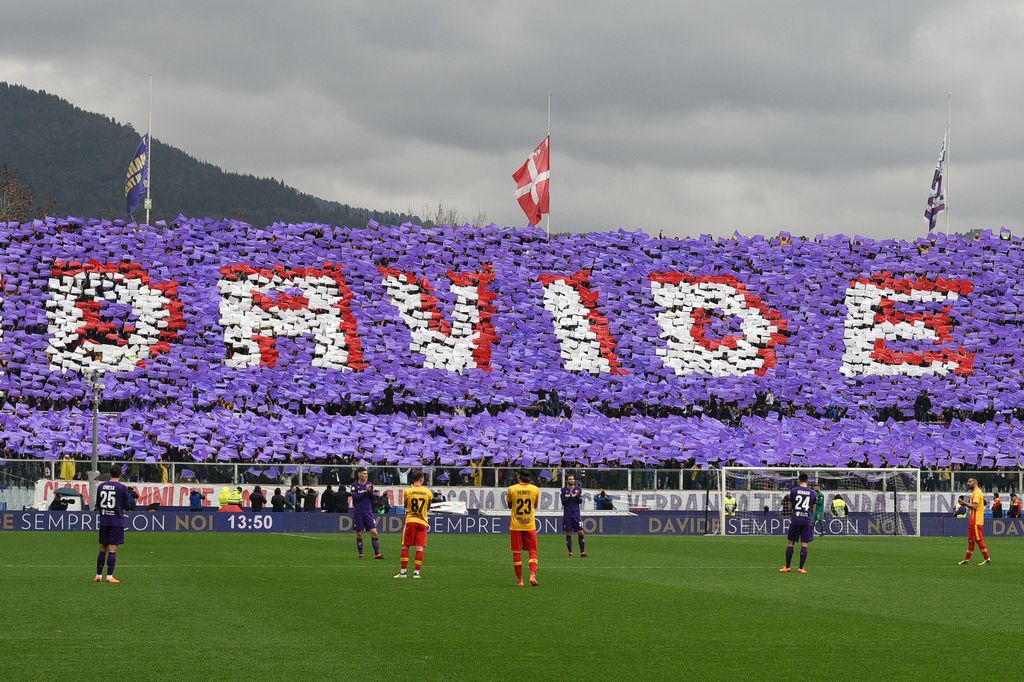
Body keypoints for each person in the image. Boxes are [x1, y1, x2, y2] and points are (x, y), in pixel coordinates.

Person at [94, 464, 135, 583]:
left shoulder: (101, 486)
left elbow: (98, 504)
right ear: (120, 475)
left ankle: (98, 575)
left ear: (110, 474)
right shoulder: (122, 488)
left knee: (102, 549)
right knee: (112, 550)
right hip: (116, 521)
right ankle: (109, 576)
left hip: (104, 521)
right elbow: (127, 506)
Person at [394, 469, 432, 579]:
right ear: (422, 479)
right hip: (423, 522)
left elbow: (406, 506)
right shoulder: (428, 492)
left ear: (413, 479)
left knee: (406, 546)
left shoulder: (408, 491)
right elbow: (428, 507)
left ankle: (403, 572)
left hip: (411, 520)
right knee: (420, 548)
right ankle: (416, 573)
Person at [507, 469, 540, 587]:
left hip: (516, 526)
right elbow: (535, 506)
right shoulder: (535, 489)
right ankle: (532, 575)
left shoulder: (512, 489)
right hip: (530, 525)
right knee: (533, 551)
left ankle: (520, 580)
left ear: (518, 477)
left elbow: (510, 505)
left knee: (517, 552)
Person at [780, 472, 816, 574]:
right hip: (807, 520)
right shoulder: (813, 492)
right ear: (807, 480)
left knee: (791, 543)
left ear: (799, 480)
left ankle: (787, 567)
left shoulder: (794, 490)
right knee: (804, 544)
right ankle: (801, 568)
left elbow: (790, 507)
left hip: (796, 519)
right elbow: (813, 508)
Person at [350, 467, 383, 559]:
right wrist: (366, 492)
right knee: (360, 533)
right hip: (358, 512)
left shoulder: (369, 484)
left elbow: (372, 498)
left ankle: (377, 554)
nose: (366, 475)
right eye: (364, 473)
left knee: (374, 532)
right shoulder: (354, 485)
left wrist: (374, 495)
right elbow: (355, 498)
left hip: (368, 512)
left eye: (366, 473)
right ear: (360, 475)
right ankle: (361, 554)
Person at [958, 477, 991, 566]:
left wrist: (965, 503)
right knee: (971, 540)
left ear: (975, 482)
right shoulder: (975, 492)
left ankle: (987, 558)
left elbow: (975, 507)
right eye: (968, 482)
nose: (968, 483)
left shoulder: (976, 493)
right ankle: (967, 559)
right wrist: (965, 503)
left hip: (976, 521)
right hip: (973, 520)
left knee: (978, 539)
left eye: (970, 482)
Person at [560, 473, 587, 558]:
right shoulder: (563, 490)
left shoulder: (578, 489)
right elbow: (563, 502)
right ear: (567, 480)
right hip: (567, 515)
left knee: (581, 532)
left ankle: (582, 552)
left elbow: (580, 501)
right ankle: (570, 552)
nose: (572, 480)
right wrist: (570, 496)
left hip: (576, 514)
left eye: (572, 479)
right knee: (568, 533)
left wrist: (576, 496)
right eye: (570, 479)